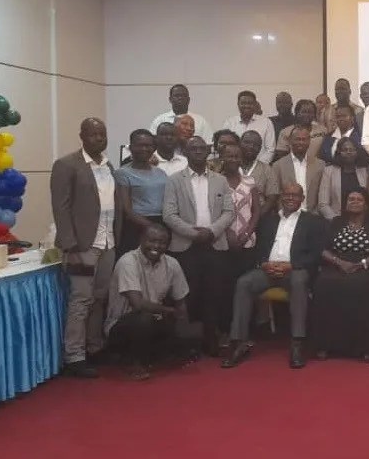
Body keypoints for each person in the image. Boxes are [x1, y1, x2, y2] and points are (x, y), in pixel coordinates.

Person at [222, 183, 324, 369]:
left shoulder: (313, 221)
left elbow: (316, 254)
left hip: (294, 270)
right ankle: (239, 342)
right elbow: (259, 248)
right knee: (244, 282)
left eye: (295, 195)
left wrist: (291, 266)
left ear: (302, 199)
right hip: (267, 270)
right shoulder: (268, 220)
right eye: (287, 194)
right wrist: (264, 263)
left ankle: (297, 343)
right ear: (280, 197)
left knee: (300, 281)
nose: (290, 198)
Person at [51, 117, 119, 378]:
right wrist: (70, 245)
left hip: (108, 241)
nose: (99, 139)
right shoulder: (67, 165)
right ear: (82, 136)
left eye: (102, 135)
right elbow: (61, 207)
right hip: (83, 244)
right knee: (81, 299)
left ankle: (95, 346)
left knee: (100, 298)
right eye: (93, 135)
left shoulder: (108, 166)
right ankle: (75, 356)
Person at [163, 136, 235, 356]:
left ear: (208, 152)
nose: (198, 152)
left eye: (202, 149)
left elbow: (229, 212)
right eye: (193, 148)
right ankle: (189, 341)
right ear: (185, 152)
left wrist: (211, 231)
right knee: (188, 294)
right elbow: (169, 214)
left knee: (214, 293)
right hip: (186, 245)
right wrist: (194, 234)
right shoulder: (174, 180)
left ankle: (211, 339)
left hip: (214, 243)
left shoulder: (220, 180)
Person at [311, 188, 369, 361]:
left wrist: (361, 264)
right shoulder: (336, 222)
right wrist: (340, 263)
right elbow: (323, 249)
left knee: (360, 285)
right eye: (351, 199)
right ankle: (325, 345)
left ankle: (366, 347)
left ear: (366, 204)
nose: (354, 202)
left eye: (359, 199)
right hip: (337, 264)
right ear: (346, 203)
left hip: (367, 266)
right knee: (323, 284)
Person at [103, 225, 193, 380]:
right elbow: (137, 304)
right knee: (143, 318)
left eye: (162, 242)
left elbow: (181, 302)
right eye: (152, 241)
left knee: (182, 340)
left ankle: (155, 354)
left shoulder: (172, 264)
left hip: (155, 319)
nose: (156, 246)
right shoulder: (128, 262)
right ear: (141, 240)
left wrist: (182, 325)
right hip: (122, 324)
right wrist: (169, 311)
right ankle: (134, 363)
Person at [220, 143, 260, 318]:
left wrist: (246, 234)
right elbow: (214, 211)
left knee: (246, 287)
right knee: (225, 287)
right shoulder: (216, 180)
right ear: (222, 157)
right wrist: (228, 234)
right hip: (222, 241)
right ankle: (226, 329)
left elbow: (257, 211)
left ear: (241, 159)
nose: (233, 159)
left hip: (248, 241)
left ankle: (246, 330)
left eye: (237, 156)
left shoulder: (250, 182)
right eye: (229, 155)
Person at [115, 129, 167, 258]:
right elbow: (126, 209)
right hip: (136, 226)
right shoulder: (122, 173)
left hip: (162, 223)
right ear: (131, 147)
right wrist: (152, 227)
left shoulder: (161, 173)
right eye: (140, 145)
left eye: (149, 145)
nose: (145, 149)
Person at [273, 125, 325, 213]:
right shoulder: (278, 166)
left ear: (309, 142)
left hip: (313, 216)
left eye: (304, 139)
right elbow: (276, 195)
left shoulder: (320, 165)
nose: (301, 142)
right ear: (290, 141)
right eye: (297, 139)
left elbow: (322, 195)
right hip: (287, 215)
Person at [318, 139, 368, 221]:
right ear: (339, 152)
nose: (348, 152)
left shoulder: (364, 171)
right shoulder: (329, 171)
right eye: (345, 150)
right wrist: (336, 221)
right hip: (335, 219)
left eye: (352, 149)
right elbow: (323, 204)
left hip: (361, 221)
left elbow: (367, 202)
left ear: (357, 152)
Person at [222, 91, 276, 164]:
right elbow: (225, 146)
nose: (246, 106)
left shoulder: (266, 122)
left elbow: (270, 149)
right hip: (234, 167)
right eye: (243, 103)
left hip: (260, 168)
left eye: (250, 103)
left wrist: (257, 166)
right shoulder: (229, 123)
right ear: (238, 104)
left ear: (255, 105)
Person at [238, 130, 279, 215]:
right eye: (247, 142)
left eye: (255, 145)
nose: (251, 146)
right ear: (239, 143)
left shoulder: (267, 169)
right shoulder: (231, 166)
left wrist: (257, 217)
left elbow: (272, 197)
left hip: (258, 217)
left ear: (260, 149)